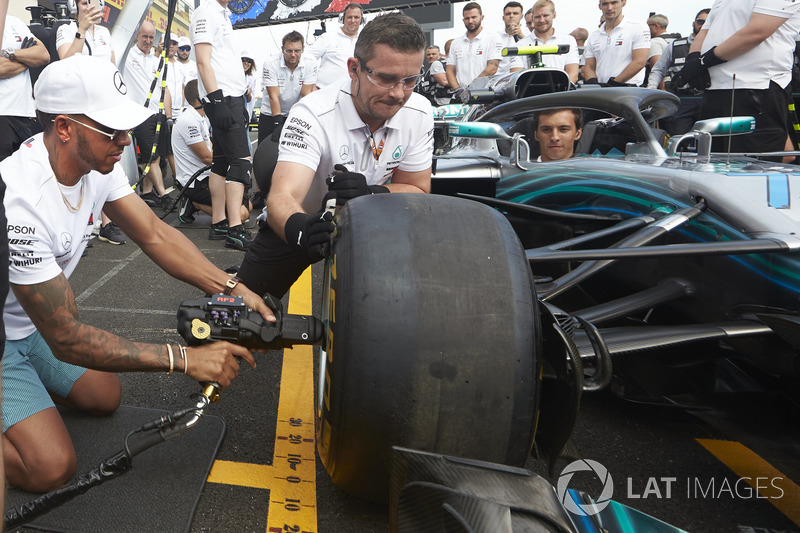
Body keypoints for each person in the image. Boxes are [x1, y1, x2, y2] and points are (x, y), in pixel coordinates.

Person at [0, 55, 272, 493]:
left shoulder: (93, 164)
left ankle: (24, 397)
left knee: (105, 398)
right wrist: (184, 359)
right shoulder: (20, 203)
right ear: (65, 128)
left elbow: (155, 235)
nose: (127, 140)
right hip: (5, 342)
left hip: (30, 329)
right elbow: (66, 337)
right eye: (113, 129)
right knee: (50, 468)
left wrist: (233, 287)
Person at [236, 12, 434, 299]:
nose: (399, 94)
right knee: (242, 320)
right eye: (386, 78)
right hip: (305, 219)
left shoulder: (420, 111)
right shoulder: (313, 112)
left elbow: (417, 188)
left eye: (410, 80)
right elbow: (282, 197)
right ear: (354, 68)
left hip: (375, 218)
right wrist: (300, 229)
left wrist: (372, 192)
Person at [674, 0, 800, 155]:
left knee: (752, 167)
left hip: (755, 88)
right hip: (715, 90)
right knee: (713, 162)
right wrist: (693, 59)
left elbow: (757, 32)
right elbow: (704, 31)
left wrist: (703, 62)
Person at [56, 0, 125, 246]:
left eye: (93, 1)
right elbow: (64, 63)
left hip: (102, 107)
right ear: (76, 7)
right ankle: (77, 225)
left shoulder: (106, 33)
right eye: (84, 2)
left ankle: (106, 224)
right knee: (79, 161)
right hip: (77, 108)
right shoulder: (66, 29)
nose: (89, 6)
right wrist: (81, 30)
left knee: (103, 161)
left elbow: (112, 69)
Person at [191, 0, 254, 251]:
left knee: (222, 161)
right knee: (241, 160)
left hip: (232, 96)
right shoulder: (205, 11)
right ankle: (235, 229)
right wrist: (217, 100)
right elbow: (202, 61)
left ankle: (219, 221)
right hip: (223, 96)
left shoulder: (223, 14)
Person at [173, 79, 251, 224]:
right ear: (200, 97)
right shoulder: (188, 120)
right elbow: (208, 158)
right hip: (194, 182)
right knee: (240, 215)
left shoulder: (203, 118)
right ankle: (192, 203)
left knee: (248, 206)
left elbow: (214, 150)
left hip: (208, 176)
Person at [124, 21, 173, 211]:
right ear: (137, 36)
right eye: (144, 36)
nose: (148, 40)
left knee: (157, 156)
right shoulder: (127, 56)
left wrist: (168, 117)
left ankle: (147, 192)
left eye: (151, 37)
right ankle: (163, 194)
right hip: (139, 113)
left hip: (157, 114)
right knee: (150, 157)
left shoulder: (156, 60)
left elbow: (164, 89)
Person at [647, 9, 709, 136]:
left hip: (709, 99)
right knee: (678, 140)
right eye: (700, 21)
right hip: (682, 100)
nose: (703, 25)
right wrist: (651, 89)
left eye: (708, 22)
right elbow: (658, 69)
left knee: (708, 142)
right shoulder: (675, 45)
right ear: (693, 23)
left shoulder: (721, 46)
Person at [0, 14, 50, 161]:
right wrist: (28, 59)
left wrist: (10, 53)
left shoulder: (16, 22)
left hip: (24, 114)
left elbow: (43, 56)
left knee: (25, 177)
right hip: (2, 115)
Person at [258, 31, 317, 145]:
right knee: (266, 155)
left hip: (295, 113)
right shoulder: (270, 63)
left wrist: (301, 118)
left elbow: (306, 94)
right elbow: (273, 96)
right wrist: (277, 123)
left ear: (303, 49)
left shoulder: (311, 62)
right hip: (270, 114)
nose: (293, 54)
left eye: (297, 51)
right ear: (282, 49)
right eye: (289, 51)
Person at [583, 0, 650, 86]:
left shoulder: (638, 27)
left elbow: (639, 62)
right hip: (601, 90)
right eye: (605, 4)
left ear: (624, 2)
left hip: (629, 89)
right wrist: (593, 83)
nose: (609, 8)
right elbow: (589, 66)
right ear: (599, 6)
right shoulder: (595, 35)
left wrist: (613, 83)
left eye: (614, 3)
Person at [516, 0, 580, 84]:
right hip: (530, 95)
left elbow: (573, 74)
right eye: (537, 17)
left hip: (561, 94)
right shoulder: (520, 45)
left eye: (545, 15)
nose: (542, 20)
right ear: (532, 18)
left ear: (554, 15)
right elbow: (516, 76)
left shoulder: (568, 41)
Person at [446, 3, 503, 90]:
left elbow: (492, 68)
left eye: (474, 17)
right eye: (467, 18)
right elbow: (450, 70)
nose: (470, 21)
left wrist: (472, 89)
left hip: (486, 93)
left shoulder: (493, 37)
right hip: (461, 95)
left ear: (482, 17)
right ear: (463, 20)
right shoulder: (456, 43)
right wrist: (457, 90)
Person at [306, 3, 363, 89]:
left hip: (353, 94)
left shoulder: (364, 40)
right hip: (324, 92)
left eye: (356, 17)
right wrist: (311, 85)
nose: (353, 20)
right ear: (342, 18)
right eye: (349, 17)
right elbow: (307, 59)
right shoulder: (328, 37)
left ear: (362, 20)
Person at [497, 2, 526, 76]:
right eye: (508, 14)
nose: (511, 16)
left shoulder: (528, 35)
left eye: (515, 13)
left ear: (521, 16)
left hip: (521, 78)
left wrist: (521, 36)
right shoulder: (496, 37)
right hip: (498, 78)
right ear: (503, 17)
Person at [242, 50, 258, 127]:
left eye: (249, 61)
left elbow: (249, 99)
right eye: (244, 60)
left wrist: (248, 93)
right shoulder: (232, 75)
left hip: (245, 114)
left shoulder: (252, 78)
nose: (246, 63)